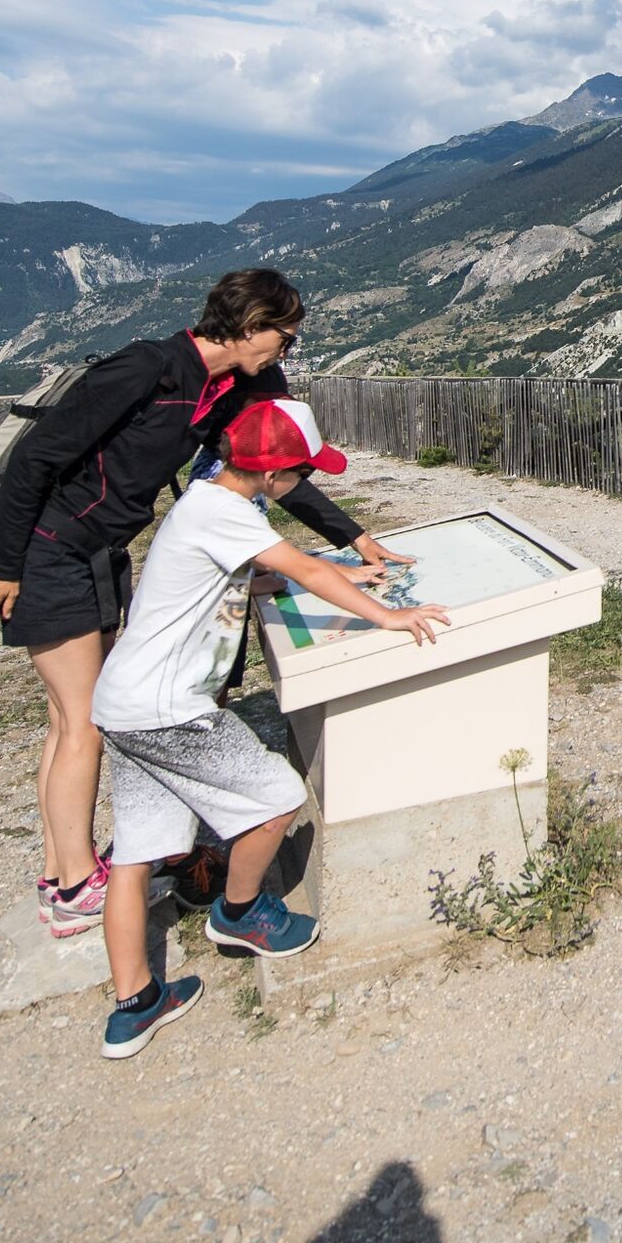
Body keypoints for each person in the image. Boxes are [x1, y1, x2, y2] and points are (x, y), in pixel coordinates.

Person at [0, 268, 411, 937]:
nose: (286, 352)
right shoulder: (148, 369)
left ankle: (73, 871)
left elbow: (277, 469)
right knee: (82, 720)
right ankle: (74, 884)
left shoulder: (225, 389)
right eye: (286, 338)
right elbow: (38, 458)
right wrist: (3, 566)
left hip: (101, 553)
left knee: (73, 719)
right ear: (250, 325)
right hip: (53, 551)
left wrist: (353, 536)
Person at [91, 396, 448, 1057]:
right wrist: (389, 616)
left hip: (122, 704)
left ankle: (134, 1004)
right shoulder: (226, 512)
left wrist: (346, 571)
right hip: (170, 709)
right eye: (301, 472)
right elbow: (300, 567)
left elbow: (253, 574)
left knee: (137, 851)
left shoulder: (204, 504)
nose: (302, 483)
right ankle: (239, 912)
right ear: (274, 472)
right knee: (278, 797)